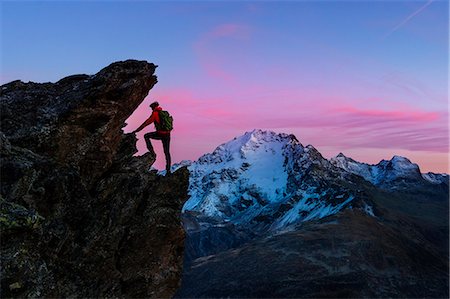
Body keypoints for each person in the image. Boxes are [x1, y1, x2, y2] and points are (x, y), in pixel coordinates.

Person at [132, 101, 172, 173]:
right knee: (167, 152)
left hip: (160, 134)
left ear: (153, 107)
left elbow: (146, 123)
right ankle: (168, 170)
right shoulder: (164, 113)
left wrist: (137, 130)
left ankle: (152, 152)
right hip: (167, 134)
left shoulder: (155, 114)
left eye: (151, 108)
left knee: (146, 136)